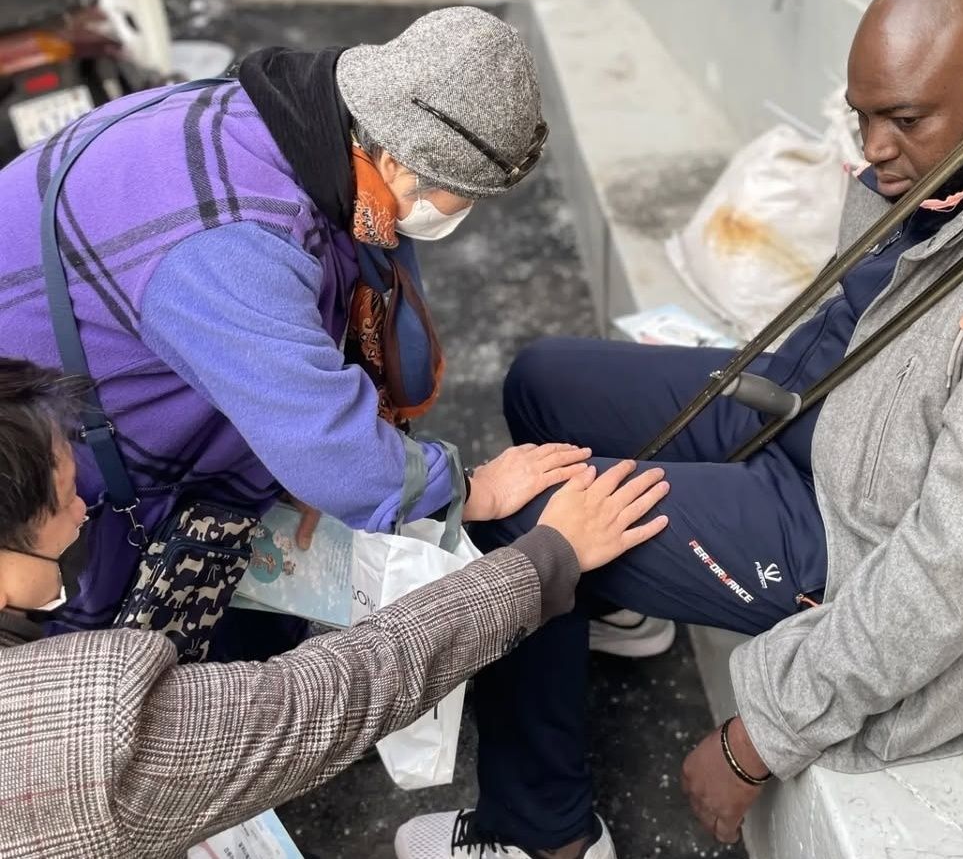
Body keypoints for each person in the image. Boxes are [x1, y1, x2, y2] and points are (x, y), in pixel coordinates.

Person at [395, 0, 963, 859]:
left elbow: (959, 566)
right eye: (862, 116)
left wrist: (759, 738)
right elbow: (860, 311)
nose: (873, 147)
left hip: (854, 524)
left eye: (902, 120)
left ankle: (541, 833)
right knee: (543, 380)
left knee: (529, 520)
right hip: (820, 405)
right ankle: (620, 606)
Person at [0, 6, 634, 658]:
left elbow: (281, 378)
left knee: (235, 596)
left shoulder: (281, 118)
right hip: (40, 463)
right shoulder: (231, 242)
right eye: (462, 196)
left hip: (97, 386)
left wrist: (283, 462)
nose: (462, 211)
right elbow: (335, 454)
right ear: (396, 161)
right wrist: (473, 490)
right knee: (136, 669)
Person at [0, 355, 670, 857]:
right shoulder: (70, 738)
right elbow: (333, 694)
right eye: (64, 499)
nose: (84, 507)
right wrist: (549, 559)